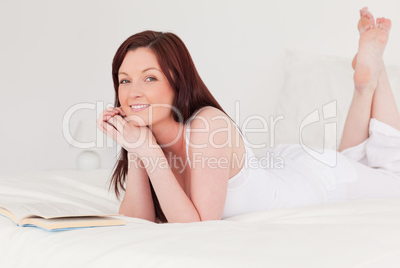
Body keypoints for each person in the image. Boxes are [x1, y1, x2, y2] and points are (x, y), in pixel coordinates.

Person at [97, 7, 400, 223]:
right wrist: (137, 147)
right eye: (124, 80)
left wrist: (148, 152)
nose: (132, 91)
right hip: (287, 168)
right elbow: (136, 222)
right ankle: (367, 84)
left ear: (177, 81)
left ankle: (375, 77)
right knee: (355, 162)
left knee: (393, 178)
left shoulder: (207, 125)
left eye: (149, 78)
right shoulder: (147, 139)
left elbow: (197, 227)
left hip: (315, 180)